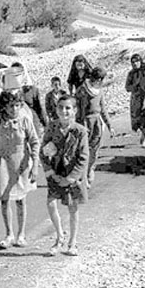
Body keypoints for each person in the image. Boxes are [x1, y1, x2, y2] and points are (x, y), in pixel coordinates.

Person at [0, 86, 40, 249]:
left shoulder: (25, 119)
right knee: (4, 199)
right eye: (10, 106)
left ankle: (21, 234)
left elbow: (35, 142)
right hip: (3, 161)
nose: (14, 109)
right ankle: (9, 234)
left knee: (20, 200)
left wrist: (35, 166)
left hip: (21, 162)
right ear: (4, 107)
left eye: (17, 105)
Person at [40, 95, 89, 257]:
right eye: (60, 107)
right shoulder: (51, 127)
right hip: (55, 173)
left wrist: (72, 177)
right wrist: (49, 171)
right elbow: (42, 151)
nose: (64, 111)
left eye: (68, 108)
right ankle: (59, 235)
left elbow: (83, 157)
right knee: (50, 203)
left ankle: (72, 242)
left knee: (72, 208)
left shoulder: (80, 131)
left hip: (71, 176)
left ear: (74, 110)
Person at [75, 67, 114, 187]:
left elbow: (103, 109)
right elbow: (79, 109)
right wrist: (80, 125)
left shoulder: (99, 90)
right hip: (86, 122)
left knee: (95, 150)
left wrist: (109, 126)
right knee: (84, 150)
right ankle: (83, 177)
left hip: (97, 123)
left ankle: (90, 169)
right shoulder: (82, 90)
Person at [12, 62, 47, 136]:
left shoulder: (32, 89)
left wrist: (46, 124)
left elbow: (39, 108)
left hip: (32, 122)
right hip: (14, 124)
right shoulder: (6, 90)